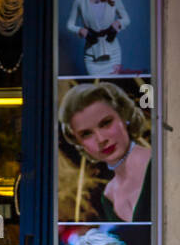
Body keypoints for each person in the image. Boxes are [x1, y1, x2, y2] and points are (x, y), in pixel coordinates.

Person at [59, 80, 152, 222]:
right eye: (86, 134)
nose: (101, 139)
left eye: (106, 123)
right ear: (79, 144)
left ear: (124, 116)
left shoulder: (158, 165)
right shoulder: (108, 195)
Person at [66, 0, 132, 76]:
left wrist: (118, 23)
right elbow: (70, 25)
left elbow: (126, 19)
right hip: (92, 54)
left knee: (110, 87)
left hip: (113, 53)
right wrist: (80, 30)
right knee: (95, 87)